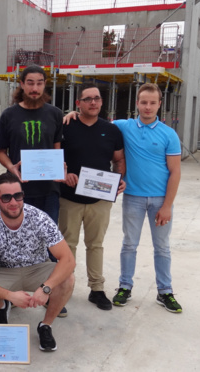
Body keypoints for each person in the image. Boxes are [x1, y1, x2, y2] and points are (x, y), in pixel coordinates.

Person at [64, 83, 182, 313]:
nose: (148, 107)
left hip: (160, 199)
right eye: (144, 102)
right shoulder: (121, 127)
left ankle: (165, 291)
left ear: (159, 104)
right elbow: (89, 117)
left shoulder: (169, 134)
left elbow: (175, 171)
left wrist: (167, 205)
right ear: (136, 104)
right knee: (129, 245)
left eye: (153, 102)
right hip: (133, 197)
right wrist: (71, 114)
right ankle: (125, 287)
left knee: (162, 247)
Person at [0, 172, 75, 352]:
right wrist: (9, 296)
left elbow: (68, 260)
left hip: (37, 268)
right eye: (6, 197)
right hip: (5, 271)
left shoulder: (39, 218)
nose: (13, 202)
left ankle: (45, 325)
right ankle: (2, 305)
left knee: (68, 278)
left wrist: (46, 288)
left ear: (23, 195)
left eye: (18, 195)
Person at [58, 84, 126, 311]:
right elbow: (55, 156)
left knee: (95, 245)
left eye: (97, 98)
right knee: (68, 246)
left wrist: (119, 179)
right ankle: (63, 290)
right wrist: (63, 174)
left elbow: (118, 161)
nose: (93, 103)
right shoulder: (65, 126)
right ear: (78, 103)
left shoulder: (112, 130)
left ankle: (97, 289)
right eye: (88, 99)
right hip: (69, 198)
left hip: (100, 200)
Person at [0, 65, 63, 254]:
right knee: (21, 238)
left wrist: (59, 167)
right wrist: (12, 168)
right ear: (22, 85)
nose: (35, 88)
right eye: (30, 83)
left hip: (49, 189)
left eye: (39, 83)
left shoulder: (55, 114)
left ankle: (49, 279)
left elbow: (57, 148)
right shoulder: (8, 115)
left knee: (50, 238)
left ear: (44, 85)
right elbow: (0, 150)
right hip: (19, 189)